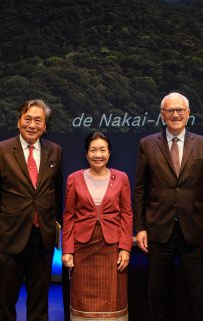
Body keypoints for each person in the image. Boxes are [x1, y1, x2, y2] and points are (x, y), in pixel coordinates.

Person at [133, 92, 203, 321]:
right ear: (162, 115)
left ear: (188, 114)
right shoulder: (147, 144)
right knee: (157, 292)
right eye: (170, 111)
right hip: (158, 228)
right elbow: (140, 188)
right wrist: (140, 228)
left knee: (198, 293)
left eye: (180, 110)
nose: (175, 115)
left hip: (195, 230)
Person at [0, 99, 63, 321]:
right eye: (28, 119)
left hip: (42, 239)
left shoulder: (55, 151)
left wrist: (55, 231)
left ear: (45, 126)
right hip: (9, 239)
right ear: (19, 122)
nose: (32, 125)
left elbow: (56, 195)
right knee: (6, 302)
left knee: (39, 302)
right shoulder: (0, 151)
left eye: (38, 120)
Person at [61, 131, 133, 320]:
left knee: (113, 298)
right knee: (81, 298)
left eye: (102, 150)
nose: (98, 154)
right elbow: (69, 216)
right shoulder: (74, 178)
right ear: (86, 154)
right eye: (93, 150)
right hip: (82, 248)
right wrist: (67, 250)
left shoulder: (122, 178)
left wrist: (125, 248)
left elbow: (126, 214)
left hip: (112, 248)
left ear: (109, 153)